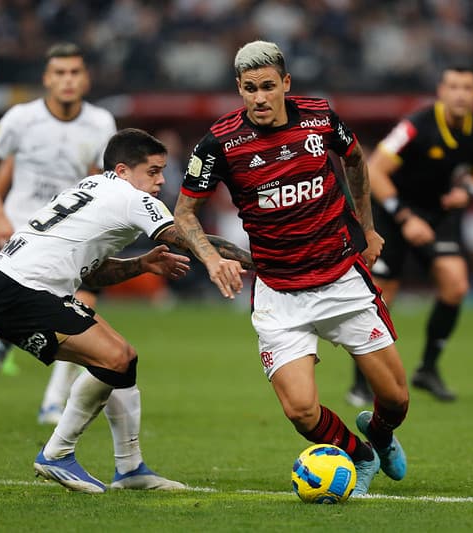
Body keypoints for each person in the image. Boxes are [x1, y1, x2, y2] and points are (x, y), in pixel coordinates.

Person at [173, 40, 409, 497]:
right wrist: (210, 258)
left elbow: (356, 159)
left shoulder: (320, 117)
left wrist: (368, 227)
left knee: (396, 399)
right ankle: (361, 455)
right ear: (239, 89)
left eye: (267, 86)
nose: (259, 98)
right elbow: (184, 213)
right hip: (280, 293)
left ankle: (380, 434)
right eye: (249, 89)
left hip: (342, 280)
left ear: (285, 83)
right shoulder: (219, 143)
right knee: (301, 411)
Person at [0, 128, 253, 493]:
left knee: (123, 359)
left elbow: (92, 272)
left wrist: (142, 264)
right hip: (22, 292)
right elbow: (187, 237)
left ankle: (130, 468)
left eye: (162, 171)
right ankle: (57, 453)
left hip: (12, 287)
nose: (161, 180)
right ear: (122, 170)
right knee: (115, 359)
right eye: (153, 171)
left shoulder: (90, 189)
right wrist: (258, 261)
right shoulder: (131, 198)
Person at [0, 42, 117, 424]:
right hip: (23, 230)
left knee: (83, 309)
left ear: (85, 78)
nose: (68, 80)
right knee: (39, 305)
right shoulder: (21, 118)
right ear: (47, 79)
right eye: (60, 73)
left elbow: (99, 178)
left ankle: (52, 401)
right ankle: (5, 335)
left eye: (75, 72)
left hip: (69, 234)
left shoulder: (101, 122)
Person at [347, 66, 473, 405]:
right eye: (453, 86)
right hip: (392, 211)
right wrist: (405, 217)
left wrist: (469, 191)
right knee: (381, 298)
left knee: (456, 285)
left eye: (467, 88)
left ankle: (428, 368)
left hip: (436, 215)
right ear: (441, 91)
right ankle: (361, 383)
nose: (460, 94)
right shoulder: (415, 126)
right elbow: (374, 170)